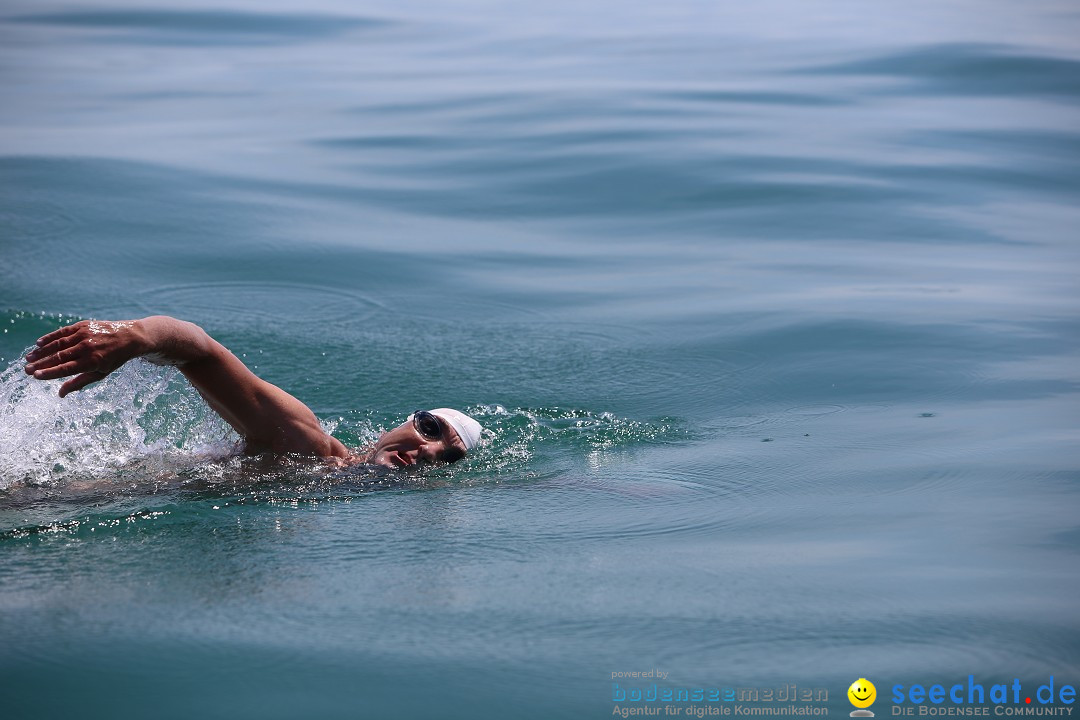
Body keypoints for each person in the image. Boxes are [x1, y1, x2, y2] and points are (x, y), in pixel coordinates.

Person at [22, 316, 482, 468]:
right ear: (404, 422)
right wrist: (138, 335)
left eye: (449, 457)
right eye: (429, 427)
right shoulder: (308, 447)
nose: (429, 449)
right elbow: (201, 351)